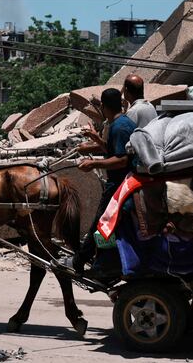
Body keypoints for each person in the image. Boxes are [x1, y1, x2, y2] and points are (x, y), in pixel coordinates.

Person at [65, 87, 136, 274]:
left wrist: (93, 164)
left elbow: (122, 160)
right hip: (121, 184)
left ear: (103, 107)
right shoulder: (123, 123)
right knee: (104, 225)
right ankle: (101, 262)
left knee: (100, 223)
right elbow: (113, 150)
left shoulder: (119, 127)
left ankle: (83, 262)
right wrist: (95, 140)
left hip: (119, 186)